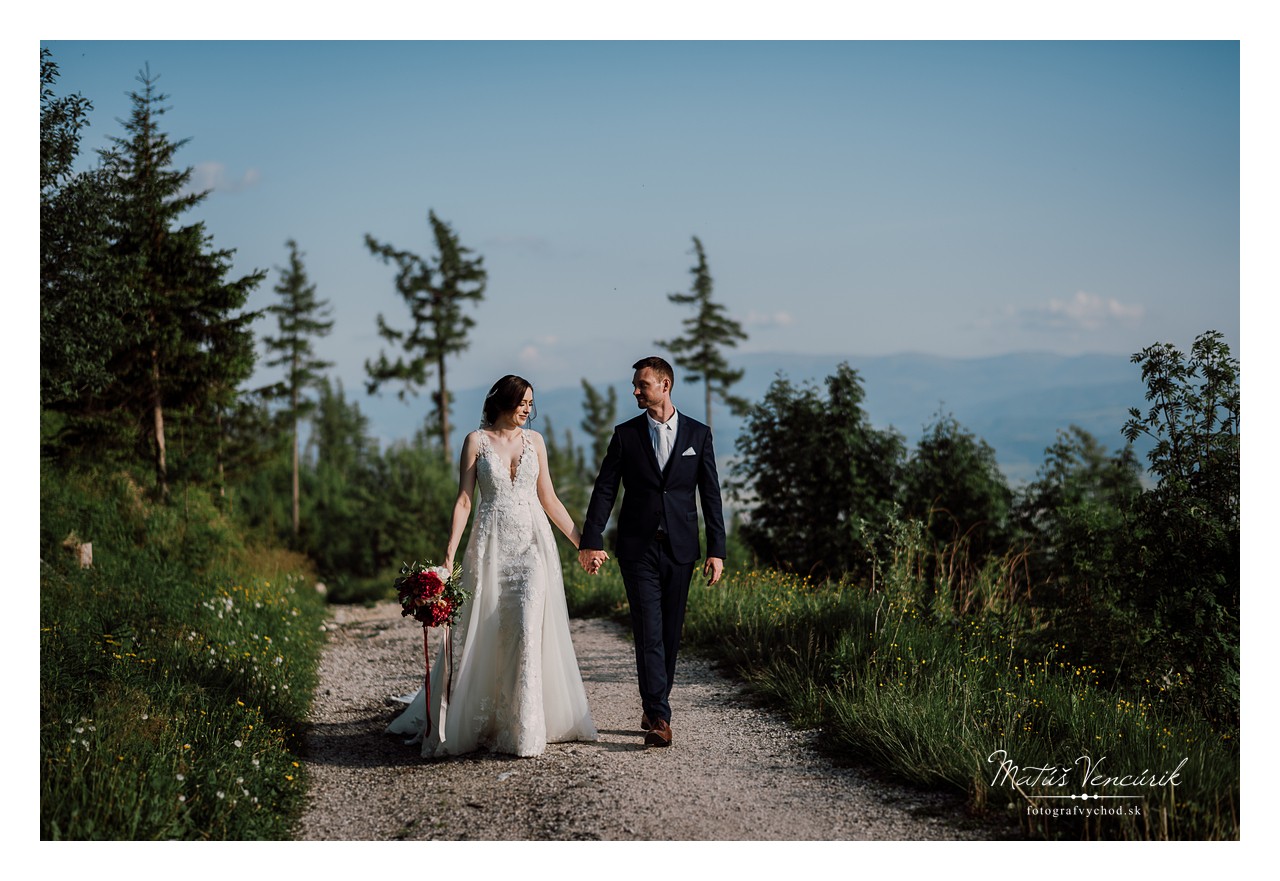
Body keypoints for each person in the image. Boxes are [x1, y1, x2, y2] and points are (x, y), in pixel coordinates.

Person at [387, 375, 598, 757]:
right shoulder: (475, 441)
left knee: (525, 626)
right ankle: (488, 716)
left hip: (532, 547)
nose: (528, 410)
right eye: (523, 402)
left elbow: (549, 498)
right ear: (504, 400)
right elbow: (464, 501)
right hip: (491, 546)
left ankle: (524, 729)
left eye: (532, 404)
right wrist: (449, 555)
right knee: (488, 629)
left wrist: (583, 544)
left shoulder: (536, 442)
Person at [578, 356, 726, 748]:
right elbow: (605, 489)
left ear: (665, 385)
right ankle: (659, 715)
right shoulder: (625, 435)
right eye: (636, 384)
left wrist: (717, 549)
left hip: (681, 549)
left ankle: (654, 702)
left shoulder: (698, 434)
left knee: (670, 633)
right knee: (648, 632)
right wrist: (592, 539)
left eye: (642, 384)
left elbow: (710, 495)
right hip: (637, 548)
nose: (635, 391)